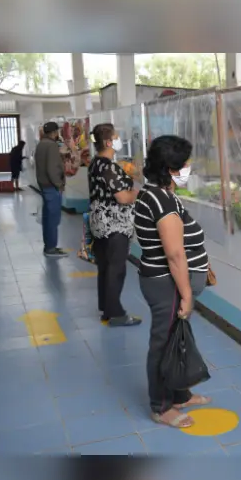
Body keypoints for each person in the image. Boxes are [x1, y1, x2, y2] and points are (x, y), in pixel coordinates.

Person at [134, 135, 211, 429]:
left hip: (168, 281)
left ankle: (179, 394)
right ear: (169, 168)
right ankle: (161, 406)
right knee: (163, 342)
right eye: (183, 164)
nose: (188, 167)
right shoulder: (161, 199)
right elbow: (175, 254)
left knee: (175, 336)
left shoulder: (156, 193)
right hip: (166, 282)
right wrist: (187, 293)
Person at [88, 123, 142, 327]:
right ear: (109, 142)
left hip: (99, 222)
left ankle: (106, 308)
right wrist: (139, 193)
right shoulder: (108, 166)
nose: (120, 139)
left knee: (105, 266)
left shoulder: (96, 163)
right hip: (114, 224)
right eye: (117, 136)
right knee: (116, 268)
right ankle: (116, 313)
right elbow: (122, 197)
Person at [35, 121, 68, 257]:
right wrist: (59, 184)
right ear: (55, 132)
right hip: (51, 186)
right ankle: (51, 248)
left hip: (44, 185)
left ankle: (48, 246)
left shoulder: (41, 144)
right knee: (53, 219)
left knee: (48, 218)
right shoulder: (52, 145)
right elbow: (52, 169)